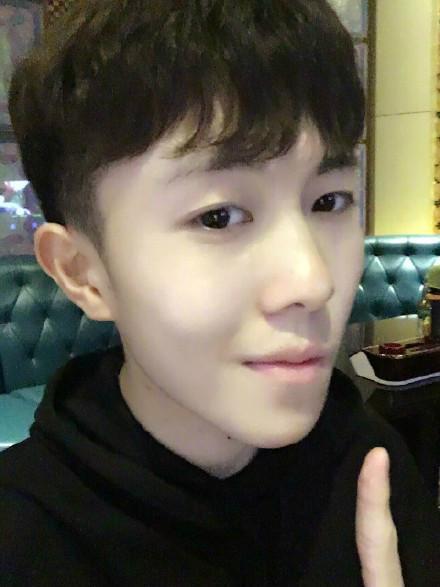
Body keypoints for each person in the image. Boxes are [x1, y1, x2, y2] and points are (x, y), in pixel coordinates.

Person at [0, 1, 438, 585]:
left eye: (329, 201)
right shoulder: (23, 538)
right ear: (82, 272)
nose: (313, 281)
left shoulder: (371, 469)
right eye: (218, 217)